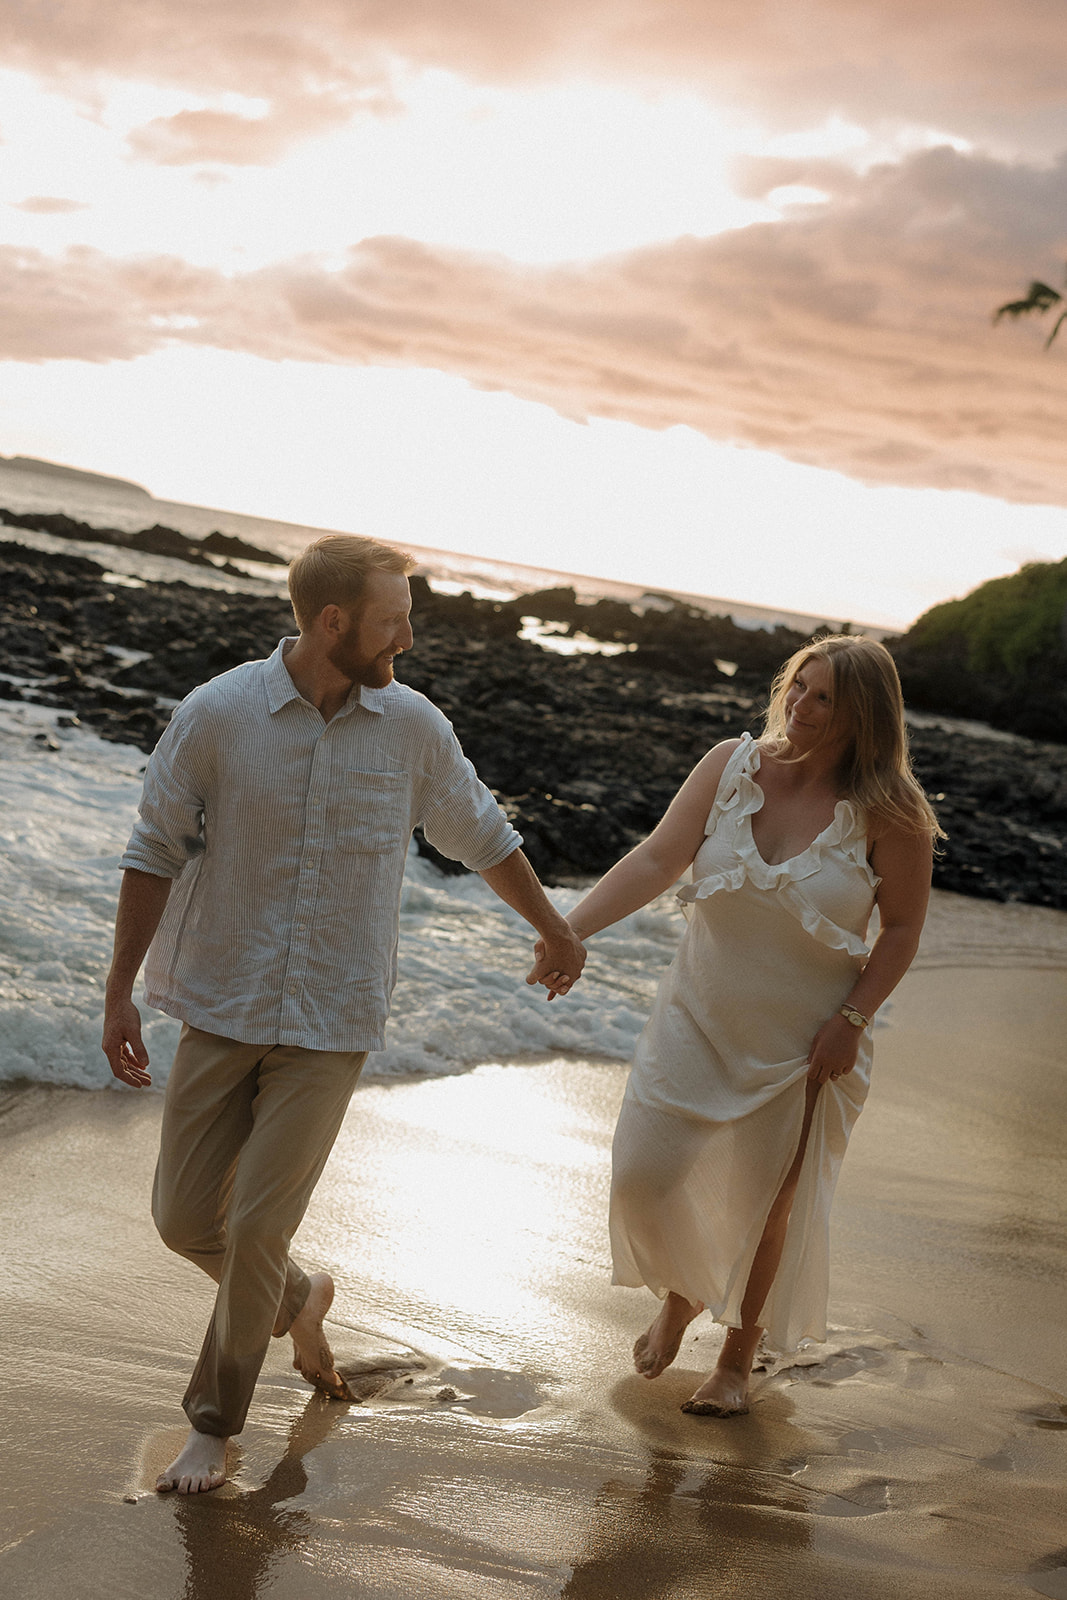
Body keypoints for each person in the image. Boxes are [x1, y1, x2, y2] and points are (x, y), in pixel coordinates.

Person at [102, 533, 585, 1495]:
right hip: (222, 1002)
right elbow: (153, 848)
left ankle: (214, 1423)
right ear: (333, 622)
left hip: (333, 1020)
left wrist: (555, 928)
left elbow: (481, 831)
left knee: (254, 1226)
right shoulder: (218, 714)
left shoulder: (412, 728)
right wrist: (118, 991)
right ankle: (300, 1299)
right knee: (184, 1216)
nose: (408, 634)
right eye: (392, 617)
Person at [545, 634, 939, 1416]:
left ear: (862, 715)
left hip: (805, 1040)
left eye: (822, 696)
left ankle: (734, 1358)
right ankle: (684, 1290)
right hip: (694, 1016)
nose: (798, 704)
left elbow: (899, 931)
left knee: (765, 1204)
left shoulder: (890, 813)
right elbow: (659, 860)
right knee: (642, 1175)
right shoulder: (730, 765)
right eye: (797, 685)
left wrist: (853, 1020)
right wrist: (571, 930)